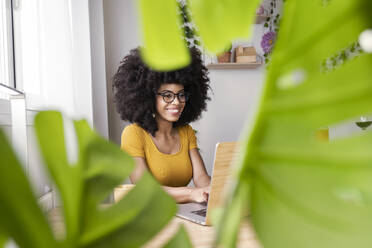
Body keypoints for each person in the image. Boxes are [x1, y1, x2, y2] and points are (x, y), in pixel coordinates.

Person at [113, 47, 211, 203]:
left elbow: (201, 177)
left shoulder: (186, 132)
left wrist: (211, 191)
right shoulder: (133, 134)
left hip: (184, 213)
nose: (177, 102)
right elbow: (144, 188)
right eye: (167, 95)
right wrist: (191, 193)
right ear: (149, 98)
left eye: (181, 94)